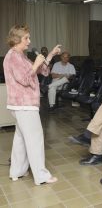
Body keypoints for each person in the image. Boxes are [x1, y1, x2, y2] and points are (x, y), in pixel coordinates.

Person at [3, 25, 61, 185]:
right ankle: (41, 176)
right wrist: (35, 64)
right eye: (26, 38)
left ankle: (17, 171)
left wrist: (48, 56)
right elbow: (25, 79)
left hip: (22, 106)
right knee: (35, 139)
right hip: (24, 105)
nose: (29, 41)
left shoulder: (20, 55)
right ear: (16, 40)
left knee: (20, 139)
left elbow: (42, 72)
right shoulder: (14, 57)